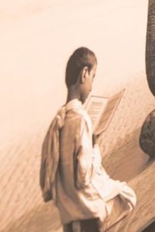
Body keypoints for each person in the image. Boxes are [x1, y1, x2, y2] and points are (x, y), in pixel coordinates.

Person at [40, 48, 137, 232]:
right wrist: (95, 145)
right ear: (84, 74)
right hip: (88, 212)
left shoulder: (57, 121)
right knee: (128, 196)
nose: (92, 86)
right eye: (93, 77)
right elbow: (83, 177)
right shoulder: (80, 118)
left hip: (68, 214)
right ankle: (93, 223)